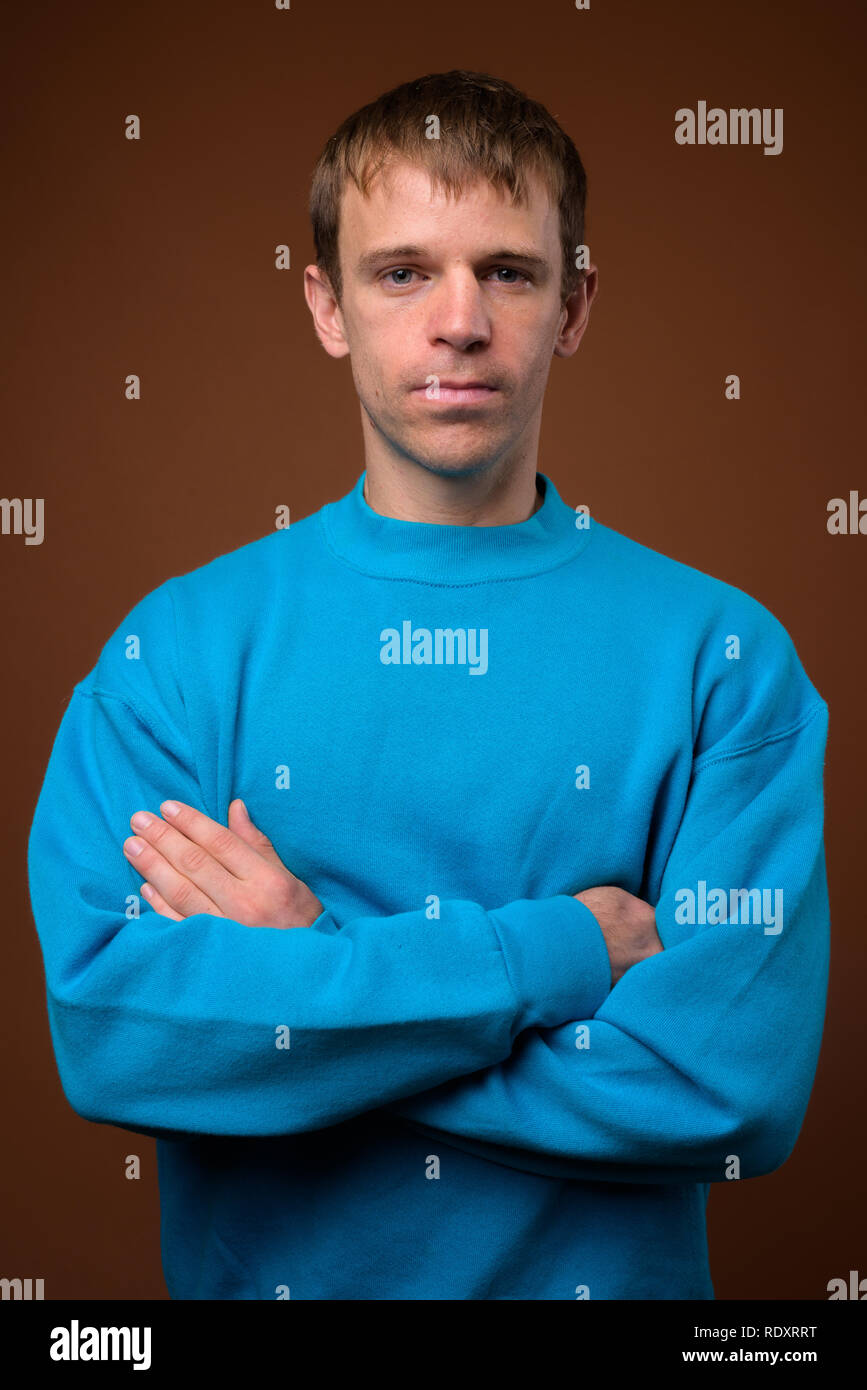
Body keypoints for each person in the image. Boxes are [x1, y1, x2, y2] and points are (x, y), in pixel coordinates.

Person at [27, 69, 829, 1300]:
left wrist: (310, 974)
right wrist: (552, 955)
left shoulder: (724, 658)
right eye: (403, 271)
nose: (459, 321)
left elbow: (724, 1094)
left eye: (508, 271)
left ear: (575, 303)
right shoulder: (174, 653)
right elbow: (122, 1037)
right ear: (325, 304)